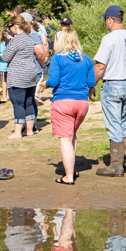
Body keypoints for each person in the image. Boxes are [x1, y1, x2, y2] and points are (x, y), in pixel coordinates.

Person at [93, 5, 126, 177]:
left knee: (114, 126)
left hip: (113, 84)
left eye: (106, 20)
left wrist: (91, 85)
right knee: (123, 124)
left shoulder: (109, 38)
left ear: (110, 20)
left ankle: (115, 165)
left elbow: (100, 66)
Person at [44, 28, 95, 185]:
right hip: (82, 103)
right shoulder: (86, 59)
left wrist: (43, 84)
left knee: (65, 138)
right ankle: (71, 169)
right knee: (72, 135)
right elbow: (91, 83)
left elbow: (53, 81)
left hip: (63, 102)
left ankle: (68, 177)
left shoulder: (58, 58)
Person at [0, 14, 38, 139]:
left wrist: (8, 45)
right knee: (29, 103)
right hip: (31, 73)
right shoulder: (29, 38)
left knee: (18, 104)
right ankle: (29, 130)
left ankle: (17, 133)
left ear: (15, 26)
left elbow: (5, 58)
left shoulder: (15, 40)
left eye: (10, 26)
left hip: (18, 75)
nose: (9, 29)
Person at [21, 12, 47, 125]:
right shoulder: (27, 34)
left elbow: (40, 52)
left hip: (33, 69)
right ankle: (28, 124)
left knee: (30, 99)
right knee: (27, 99)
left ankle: (32, 125)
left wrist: (41, 65)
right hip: (28, 69)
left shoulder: (32, 34)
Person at [0, 33, 9, 103]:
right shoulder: (8, 45)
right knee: (7, 81)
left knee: (3, 81)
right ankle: (7, 95)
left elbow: (1, 55)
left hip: (2, 66)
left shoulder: (1, 45)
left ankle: (4, 97)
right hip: (8, 65)